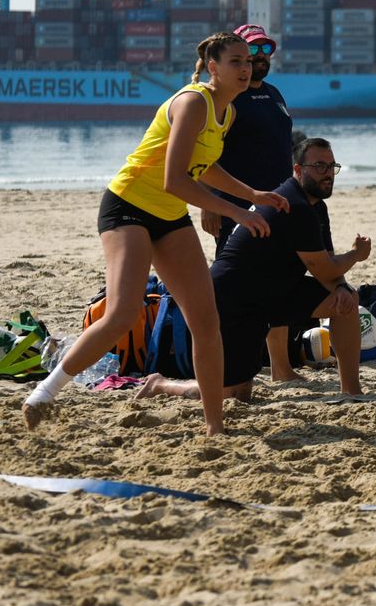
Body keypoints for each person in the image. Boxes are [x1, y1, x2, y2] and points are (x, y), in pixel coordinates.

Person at [22, 32, 290, 435]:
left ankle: (215, 427)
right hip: (128, 206)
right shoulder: (192, 102)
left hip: (168, 217)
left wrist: (252, 193)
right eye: (235, 61)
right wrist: (239, 210)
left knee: (206, 320)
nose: (245, 68)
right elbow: (174, 179)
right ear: (212, 67)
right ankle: (44, 392)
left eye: (247, 62)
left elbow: (206, 165)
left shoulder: (227, 113)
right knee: (122, 313)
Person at [136, 137, 371, 403]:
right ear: (297, 170)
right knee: (233, 395)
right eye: (319, 166)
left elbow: (326, 263)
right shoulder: (294, 205)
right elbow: (323, 269)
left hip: (276, 294)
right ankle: (160, 384)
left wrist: (340, 285)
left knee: (347, 300)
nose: (327, 173)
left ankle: (352, 391)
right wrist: (356, 255)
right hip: (234, 302)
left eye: (331, 166)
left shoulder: (317, 208)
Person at [202, 24, 300, 379]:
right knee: (234, 286)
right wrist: (209, 203)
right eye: (249, 53)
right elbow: (205, 154)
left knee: (277, 281)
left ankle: (280, 367)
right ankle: (229, 363)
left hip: (278, 204)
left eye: (264, 51)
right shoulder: (229, 98)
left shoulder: (274, 94)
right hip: (235, 207)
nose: (258, 59)